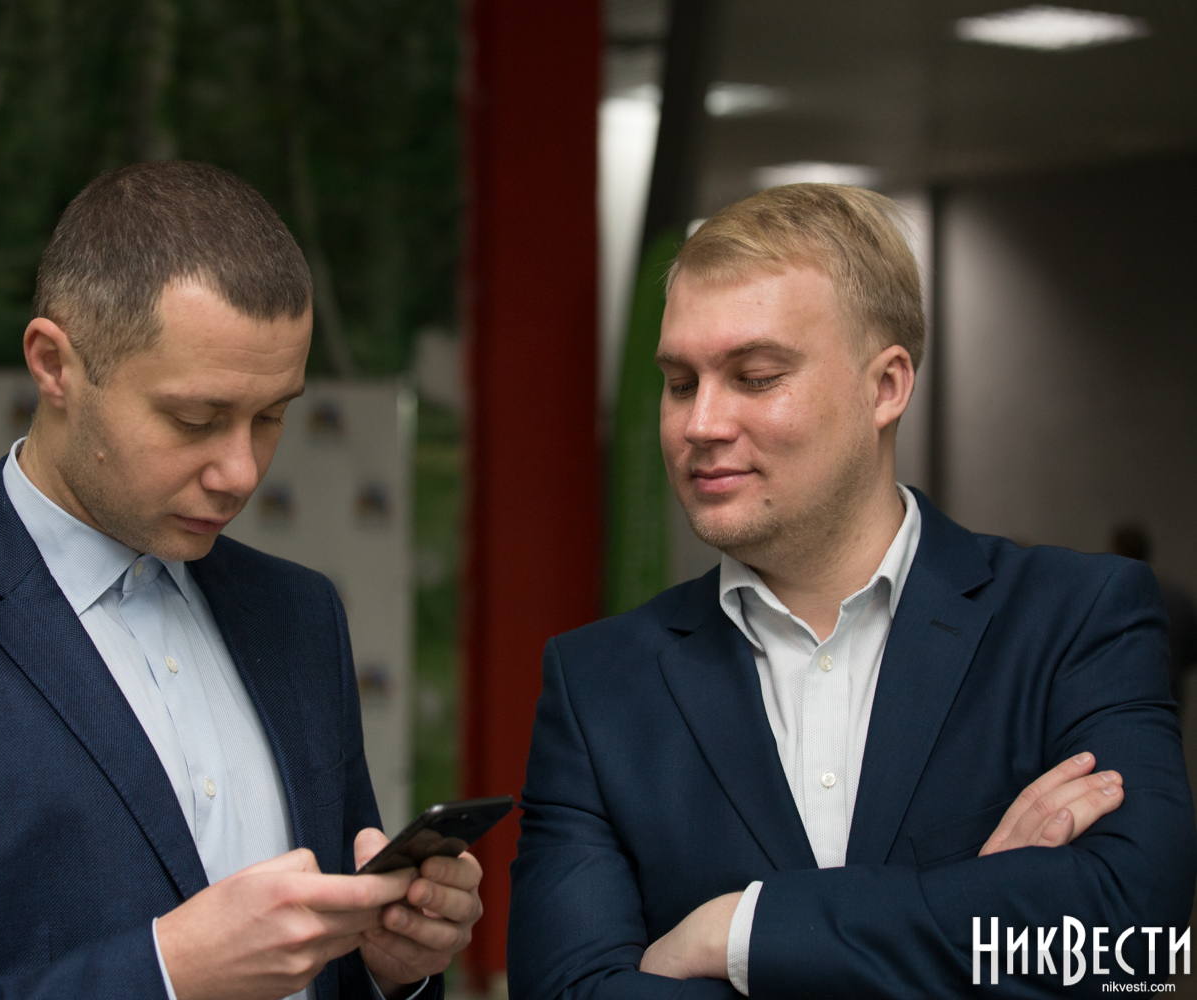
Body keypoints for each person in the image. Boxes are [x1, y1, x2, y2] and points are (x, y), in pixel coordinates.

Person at [0, 162, 483, 999]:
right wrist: (163, 975)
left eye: (273, 416)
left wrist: (389, 969)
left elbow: (329, 968)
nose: (242, 472)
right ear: (53, 364)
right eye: (195, 419)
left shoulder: (301, 615)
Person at [508, 184, 1195, 997]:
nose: (700, 424)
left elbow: (1133, 941)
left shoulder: (1074, 621)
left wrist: (739, 932)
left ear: (886, 387)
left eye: (755, 377)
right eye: (682, 382)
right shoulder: (598, 686)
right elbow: (571, 992)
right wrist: (971, 918)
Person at [1110, 521, 1197, 718]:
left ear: (1114, 551)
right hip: (1170, 697)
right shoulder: (1178, 599)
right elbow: (1192, 653)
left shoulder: (1110, 601)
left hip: (1123, 700)